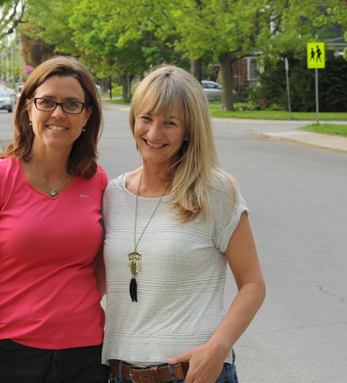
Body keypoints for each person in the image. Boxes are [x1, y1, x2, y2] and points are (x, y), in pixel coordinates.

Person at [102, 66, 266, 383]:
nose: (153, 133)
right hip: (120, 375)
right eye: (146, 118)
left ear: (189, 130)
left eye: (170, 123)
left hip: (193, 375)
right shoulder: (111, 194)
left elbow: (253, 285)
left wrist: (218, 349)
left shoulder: (215, 192)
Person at [0, 56, 109, 383]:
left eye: (71, 104)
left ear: (87, 115)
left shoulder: (97, 182)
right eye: (47, 101)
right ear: (28, 108)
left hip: (87, 355)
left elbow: (102, 268)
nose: (58, 113)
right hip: (9, 355)